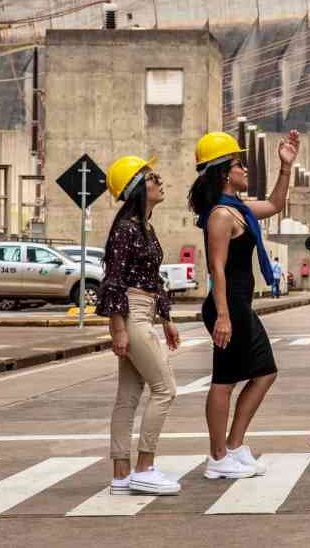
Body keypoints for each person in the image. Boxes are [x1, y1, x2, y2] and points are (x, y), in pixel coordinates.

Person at [189, 129, 300, 479]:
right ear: (224, 172)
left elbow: (276, 204)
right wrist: (223, 316)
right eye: (240, 164)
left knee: (265, 372)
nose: (246, 169)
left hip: (239, 305)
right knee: (224, 381)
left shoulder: (238, 210)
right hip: (228, 307)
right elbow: (216, 267)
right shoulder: (221, 215)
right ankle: (217, 457)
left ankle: (235, 446)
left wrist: (285, 166)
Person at [99, 155, 182, 496]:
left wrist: (166, 319)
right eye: (153, 178)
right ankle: (144, 467)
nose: (161, 182)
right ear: (137, 188)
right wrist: (118, 328)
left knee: (129, 396)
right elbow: (113, 282)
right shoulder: (126, 229)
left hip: (144, 312)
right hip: (131, 313)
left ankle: (121, 474)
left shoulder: (144, 227)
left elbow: (153, 279)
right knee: (165, 389)